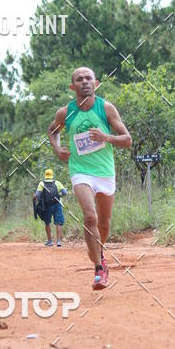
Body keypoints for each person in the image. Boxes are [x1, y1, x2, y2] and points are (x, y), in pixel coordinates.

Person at [47, 66, 131, 289]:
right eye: (79, 79)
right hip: (80, 171)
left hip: (105, 172)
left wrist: (106, 137)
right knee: (90, 217)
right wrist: (58, 149)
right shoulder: (65, 113)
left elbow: (127, 139)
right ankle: (99, 268)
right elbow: (52, 130)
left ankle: (97, 251)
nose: (84, 82)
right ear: (72, 86)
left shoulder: (106, 108)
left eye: (88, 79)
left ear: (96, 84)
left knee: (104, 223)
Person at [34, 169, 67, 247]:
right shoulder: (57, 183)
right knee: (58, 222)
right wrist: (59, 196)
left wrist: (40, 200)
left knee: (47, 222)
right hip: (57, 204)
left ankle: (50, 241)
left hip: (47, 206)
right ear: (52, 175)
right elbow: (65, 193)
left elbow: (37, 195)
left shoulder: (41, 184)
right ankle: (58, 242)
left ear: (45, 175)